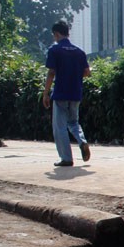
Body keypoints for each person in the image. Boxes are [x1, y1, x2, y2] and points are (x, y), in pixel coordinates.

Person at [42, 20, 91, 167]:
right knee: (73, 122)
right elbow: (87, 73)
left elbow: (51, 73)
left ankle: (66, 158)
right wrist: (74, 74)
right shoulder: (79, 52)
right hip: (76, 92)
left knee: (60, 126)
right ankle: (82, 141)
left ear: (57, 34)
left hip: (60, 93)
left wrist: (45, 93)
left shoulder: (54, 50)